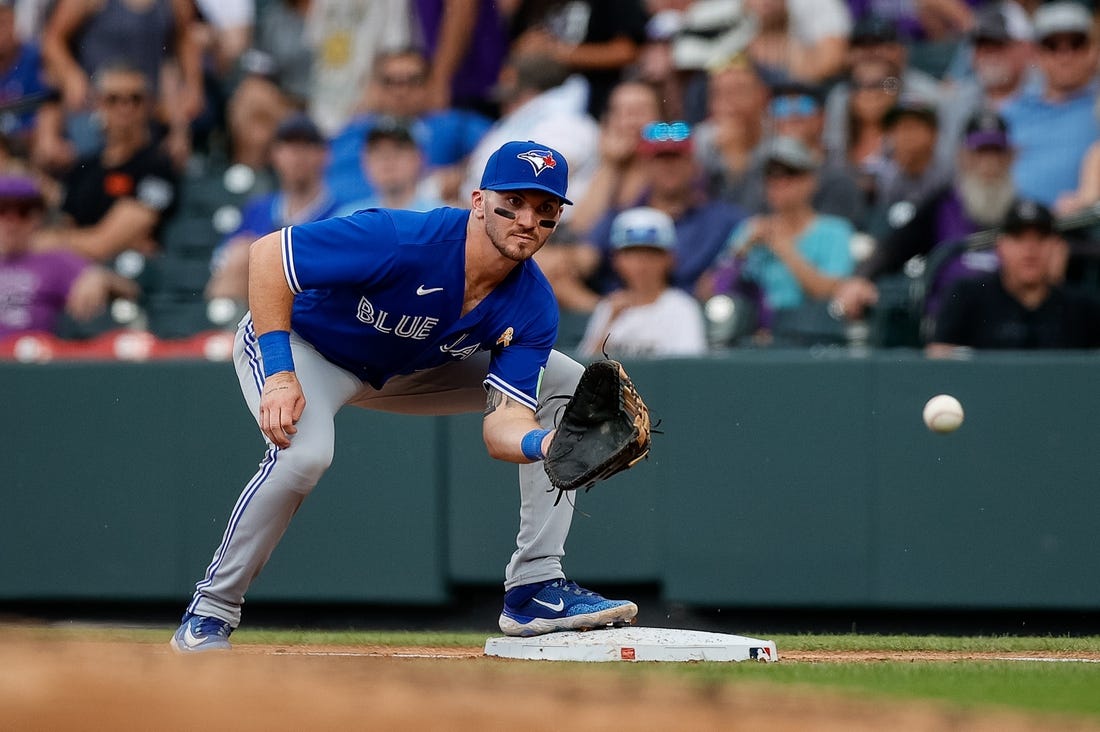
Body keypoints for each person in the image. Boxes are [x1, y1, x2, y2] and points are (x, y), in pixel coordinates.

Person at [169, 140, 638, 652]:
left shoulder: (532, 305)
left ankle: (534, 589)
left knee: (566, 380)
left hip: (409, 368)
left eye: (545, 209)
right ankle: (210, 612)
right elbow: (267, 258)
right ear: (478, 202)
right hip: (306, 347)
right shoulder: (403, 239)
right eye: (515, 202)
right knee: (304, 456)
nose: (528, 219)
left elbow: (501, 429)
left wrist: (549, 446)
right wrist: (280, 374)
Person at [833, 109, 1018, 322]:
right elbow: (894, 248)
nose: (989, 163)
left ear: (1010, 157)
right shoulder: (942, 205)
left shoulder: (1025, 214)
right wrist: (861, 278)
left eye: (997, 153)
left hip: (1007, 324)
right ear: (963, 157)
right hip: (947, 325)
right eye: (980, 152)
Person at [707, 135, 854, 344]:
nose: (780, 183)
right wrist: (739, 253)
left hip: (812, 337)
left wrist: (784, 248)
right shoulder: (750, 230)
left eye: (790, 174)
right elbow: (712, 290)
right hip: (752, 338)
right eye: (771, 176)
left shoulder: (835, 231)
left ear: (811, 180)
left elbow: (829, 293)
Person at [31, 63, 179, 268]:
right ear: (98, 104)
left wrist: (50, 241)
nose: (125, 108)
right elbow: (66, 224)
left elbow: (103, 244)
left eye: (135, 99)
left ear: (149, 105)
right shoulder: (84, 167)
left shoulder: (158, 168)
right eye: (113, 99)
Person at [205, 113, 346, 306]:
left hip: (313, 307)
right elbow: (221, 263)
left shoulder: (342, 213)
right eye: (289, 146)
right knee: (240, 253)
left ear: (324, 154)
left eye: (306, 146)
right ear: (275, 155)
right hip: (251, 306)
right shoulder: (258, 208)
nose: (297, 156)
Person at [927, 198, 1100, 354]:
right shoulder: (966, 295)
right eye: (1019, 238)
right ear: (1000, 246)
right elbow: (939, 356)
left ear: (1056, 246)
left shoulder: (1081, 308)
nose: (1030, 249)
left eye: (1040, 238)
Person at [0, 175, 138, 337]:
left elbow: (131, 291)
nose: (12, 221)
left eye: (23, 211)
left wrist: (101, 277)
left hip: (33, 355)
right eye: (2, 209)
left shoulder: (55, 260)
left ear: (37, 216)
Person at [1000, 1, 1100, 207]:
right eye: (1052, 46)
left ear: (1093, 50)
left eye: (1076, 44)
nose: (1065, 57)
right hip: (1013, 226)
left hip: (1084, 226)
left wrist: (1087, 198)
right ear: (1037, 54)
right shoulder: (1012, 111)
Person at [578, 206, 707, 358]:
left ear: (669, 259)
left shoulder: (682, 308)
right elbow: (586, 370)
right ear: (616, 260)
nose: (641, 263)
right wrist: (609, 322)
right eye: (631, 254)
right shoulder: (609, 306)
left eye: (651, 253)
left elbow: (687, 370)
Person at [333, 117, 445, 215]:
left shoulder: (440, 219)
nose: (387, 159)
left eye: (398, 149)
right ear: (365, 161)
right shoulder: (348, 219)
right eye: (377, 151)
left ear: (419, 158)